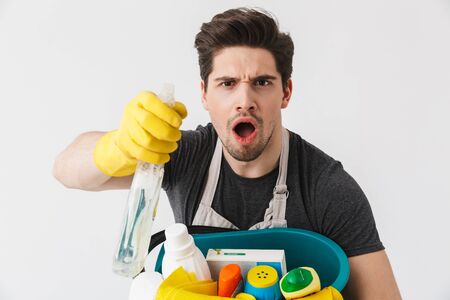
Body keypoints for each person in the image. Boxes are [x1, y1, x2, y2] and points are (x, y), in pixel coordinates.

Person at [53, 7, 402, 299]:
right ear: (204, 94)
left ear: (286, 92)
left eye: (262, 82)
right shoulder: (185, 156)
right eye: (227, 83)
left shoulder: (328, 189)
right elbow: (66, 169)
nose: (244, 100)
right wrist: (119, 146)